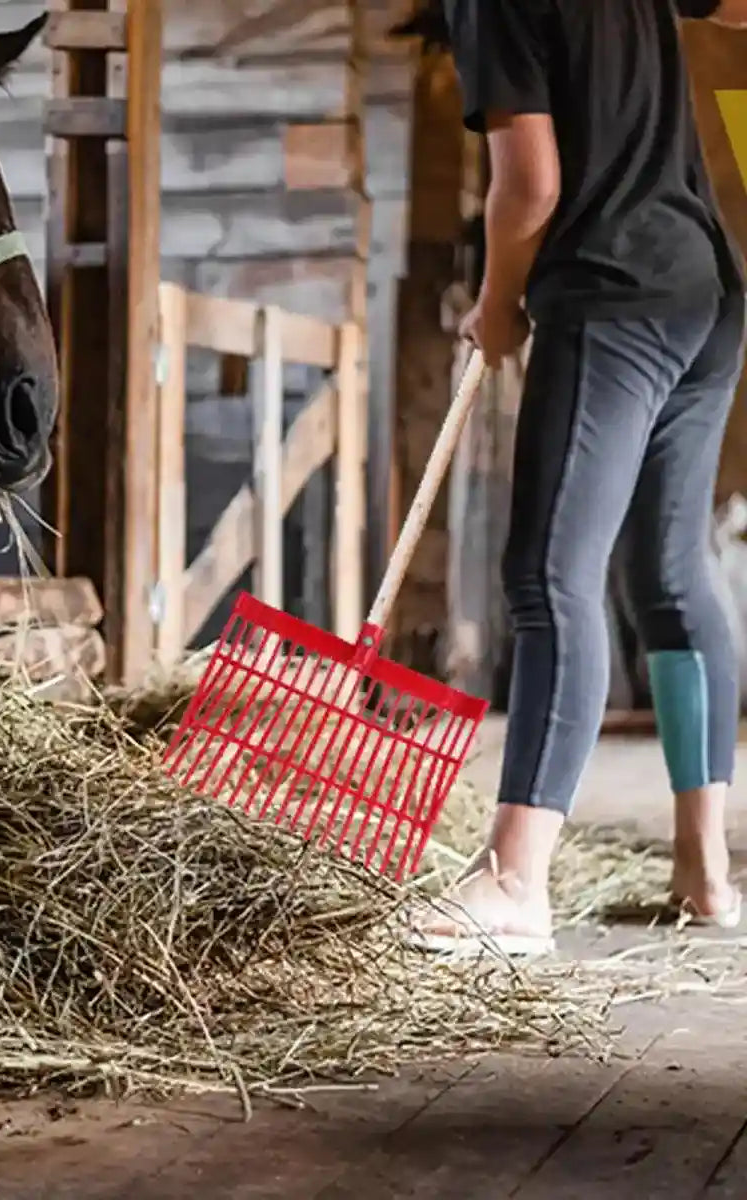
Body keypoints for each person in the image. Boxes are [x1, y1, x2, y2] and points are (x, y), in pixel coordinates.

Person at [416, 0, 747, 956]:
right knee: (671, 574)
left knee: (550, 575)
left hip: (611, 297)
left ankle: (516, 880)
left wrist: (496, 303)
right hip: (705, 293)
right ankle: (705, 872)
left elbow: (531, 182)